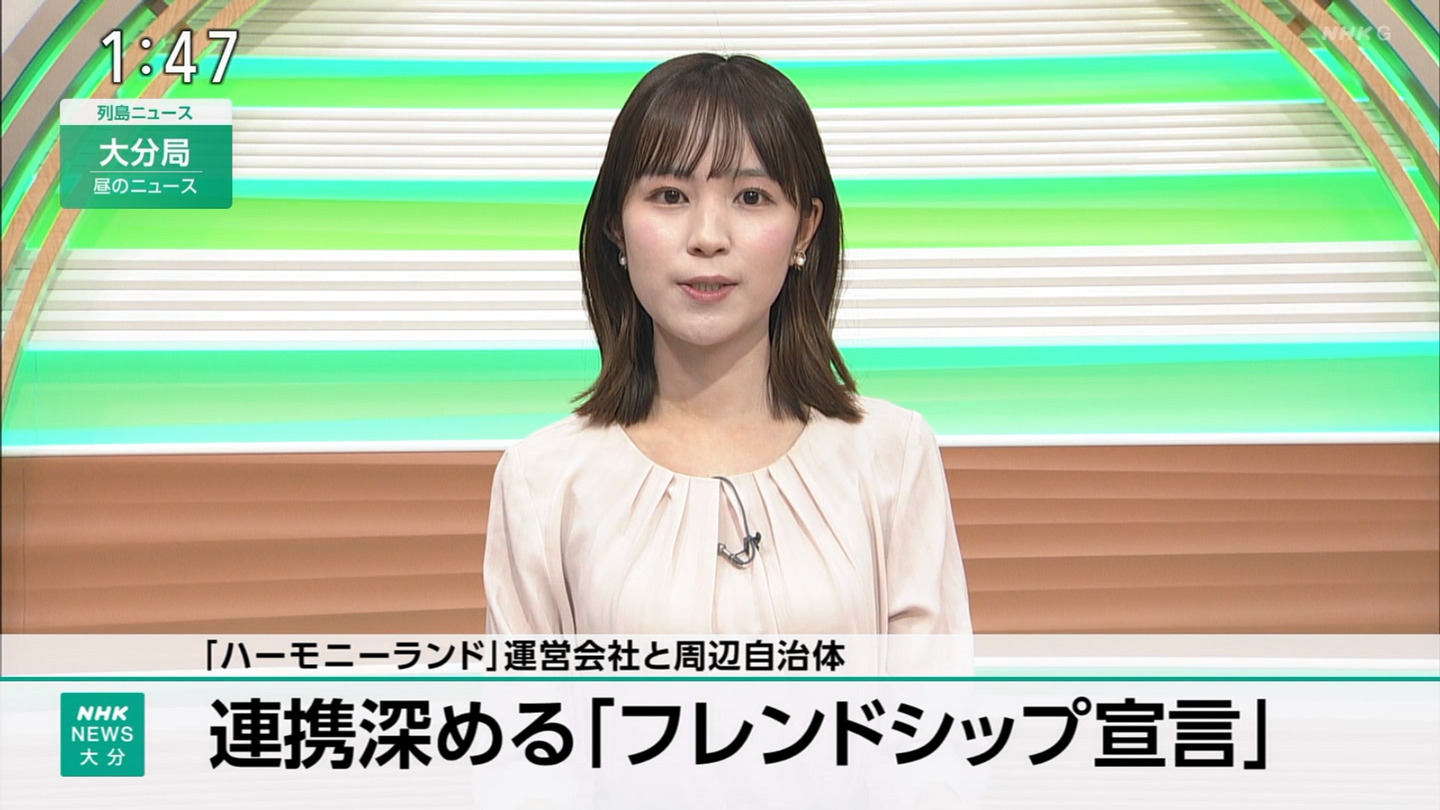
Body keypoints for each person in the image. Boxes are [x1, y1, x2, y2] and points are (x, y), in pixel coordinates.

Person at [484, 53, 970, 635]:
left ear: (805, 227)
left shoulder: (893, 456)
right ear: (616, 225)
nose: (708, 238)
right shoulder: (542, 480)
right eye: (670, 195)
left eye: (751, 197)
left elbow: (931, 690)